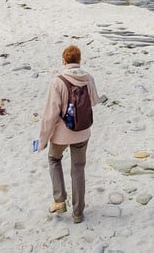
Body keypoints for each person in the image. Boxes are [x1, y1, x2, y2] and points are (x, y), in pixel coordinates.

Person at [37, 45, 98, 224]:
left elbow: (50, 115)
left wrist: (42, 140)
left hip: (62, 134)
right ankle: (78, 212)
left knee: (54, 159)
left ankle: (59, 200)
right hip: (82, 132)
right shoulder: (89, 78)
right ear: (79, 60)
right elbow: (93, 102)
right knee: (78, 169)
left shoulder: (57, 82)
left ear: (64, 61)